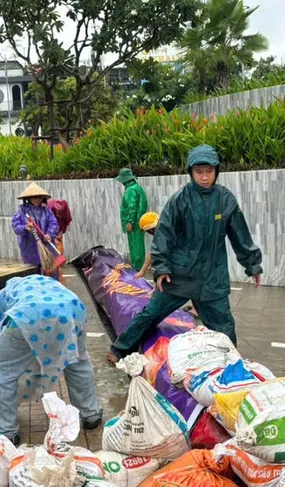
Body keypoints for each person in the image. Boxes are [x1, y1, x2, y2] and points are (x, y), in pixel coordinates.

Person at [108, 145, 263, 363]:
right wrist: (161, 268)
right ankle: (119, 350)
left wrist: (252, 264)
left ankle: (233, 366)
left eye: (209, 172)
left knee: (224, 326)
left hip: (212, 276)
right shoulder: (180, 200)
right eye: (199, 172)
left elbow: (240, 235)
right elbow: (164, 236)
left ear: (216, 171)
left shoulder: (226, 200)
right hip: (179, 275)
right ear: (191, 172)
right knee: (151, 314)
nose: (205, 177)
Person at [0, 275, 103, 445]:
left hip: (29, 315)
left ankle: (7, 430)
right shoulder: (47, 285)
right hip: (73, 310)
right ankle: (91, 414)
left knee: (1, 371)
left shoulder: (4, 293)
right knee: (77, 361)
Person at [11, 183, 60, 273]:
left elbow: (54, 224)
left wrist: (49, 234)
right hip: (30, 248)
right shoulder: (21, 212)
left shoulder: (47, 211)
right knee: (33, 272)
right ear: (28, 198)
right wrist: (25, 228)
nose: (37, 200)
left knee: (50, 271)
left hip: (47, 246)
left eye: (39, 197)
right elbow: (16, 227)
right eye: (35, 197)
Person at [116, 168, 149, 271]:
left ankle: (137, 267)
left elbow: (132, 207)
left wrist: (130, 221)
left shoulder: (130, 190)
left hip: (134, 223)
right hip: (139, 222)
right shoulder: (137, 188)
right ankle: (141, 266)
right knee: (139, 245)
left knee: (135, 246)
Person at [134, 211, 159, 279]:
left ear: (150, 229)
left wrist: (142, 271)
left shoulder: (161, 234)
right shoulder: (164, 229)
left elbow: (151, 254)